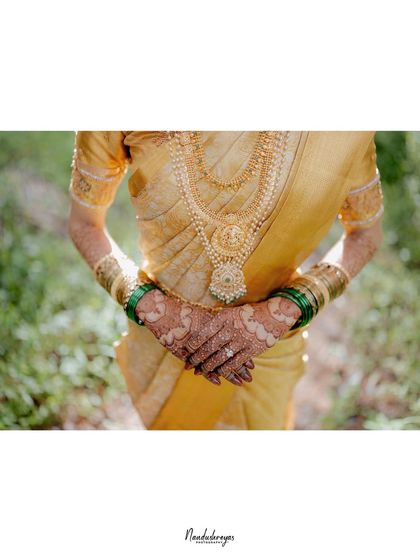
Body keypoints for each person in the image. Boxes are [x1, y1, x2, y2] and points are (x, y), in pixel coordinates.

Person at [68, 131, 384, 430]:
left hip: (268, 351)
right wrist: (150, 306)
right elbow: (85, 224)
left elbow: (365, 234)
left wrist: (288, 309)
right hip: (161, 343)